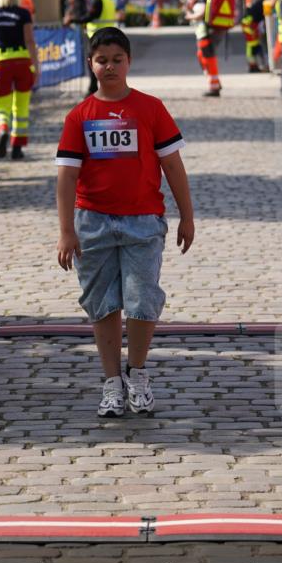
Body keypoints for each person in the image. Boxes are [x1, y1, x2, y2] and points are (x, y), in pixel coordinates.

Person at [56, 27, 194, 418]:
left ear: (129, 62)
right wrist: (67, 230)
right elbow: (66, 176)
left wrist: (187, 214)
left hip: (143, 223)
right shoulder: (79, 116)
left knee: (142, 300)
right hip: (92, 224)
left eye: (117, 59)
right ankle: (112, 381)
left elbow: (172, 164)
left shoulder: (150, 108)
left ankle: (137, 373)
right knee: (102, 305)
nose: (110, 66)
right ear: (90, 64)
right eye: (102, 60)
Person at [0, 0, 39, 160]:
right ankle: (17, 148)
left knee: (2, 105)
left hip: (0, 61)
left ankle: (2, 130)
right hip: (22, 61)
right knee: (21, 107)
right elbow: (30, 41)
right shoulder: (24, 13)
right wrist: (36, 66)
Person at [64, 0, 117, 96]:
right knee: (104, 63)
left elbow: (90, 16)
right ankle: (104, 88)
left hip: (97, 36)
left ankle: (93, 89)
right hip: (109, 35)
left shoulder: (98, 0)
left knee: (94, 63)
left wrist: (72, 20)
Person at [185, 0, 222, 97]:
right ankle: (215, 83)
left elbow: (200, 15)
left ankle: (214, 86)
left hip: (205, 32)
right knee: (204, 56)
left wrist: (190, 16)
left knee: (208, 58)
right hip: (208, 32)